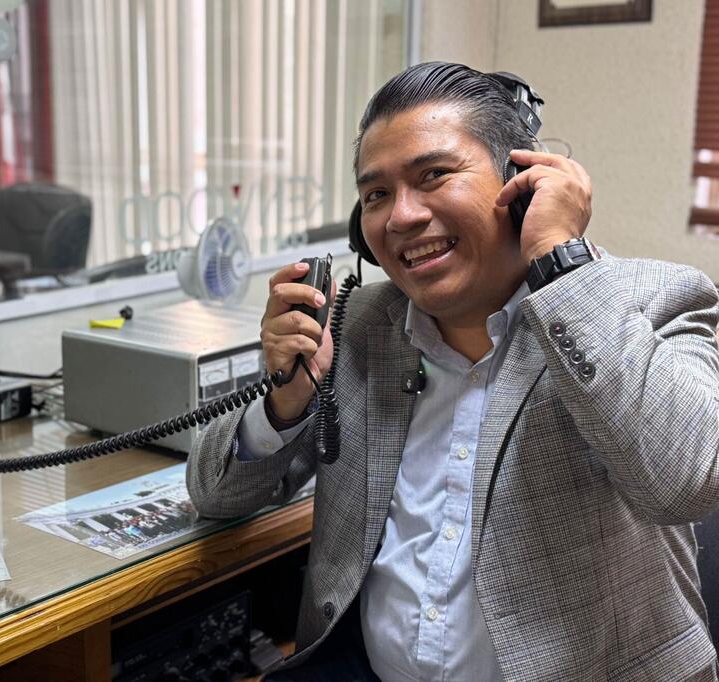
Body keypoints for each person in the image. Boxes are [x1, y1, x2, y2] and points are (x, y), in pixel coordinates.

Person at [186, 61, 719, 681]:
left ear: (520, 184)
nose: (401, 217)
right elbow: (216, 494)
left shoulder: (648, 301)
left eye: (433, 176)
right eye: (376, 195)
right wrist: (287, 400)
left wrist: (560, 262)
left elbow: (685, 483)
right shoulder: (356, 324)